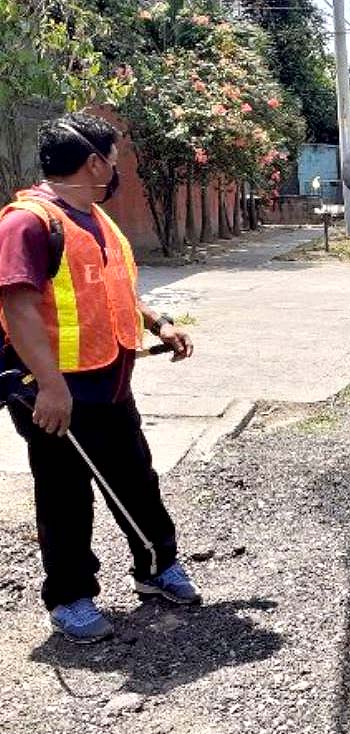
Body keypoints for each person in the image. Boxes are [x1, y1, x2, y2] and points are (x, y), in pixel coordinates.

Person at [0, 112, 200, 644]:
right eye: (112, 162)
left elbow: (113, 288)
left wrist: (158, 322)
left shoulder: (96, 220)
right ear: (93, 162)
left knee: (135, 477)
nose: (115, 171)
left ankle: (156, 567)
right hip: (57, 394)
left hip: (110, 380)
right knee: (65, 496)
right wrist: (50, 385)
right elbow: (17, 306)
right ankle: (70, 597)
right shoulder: (28, 223)